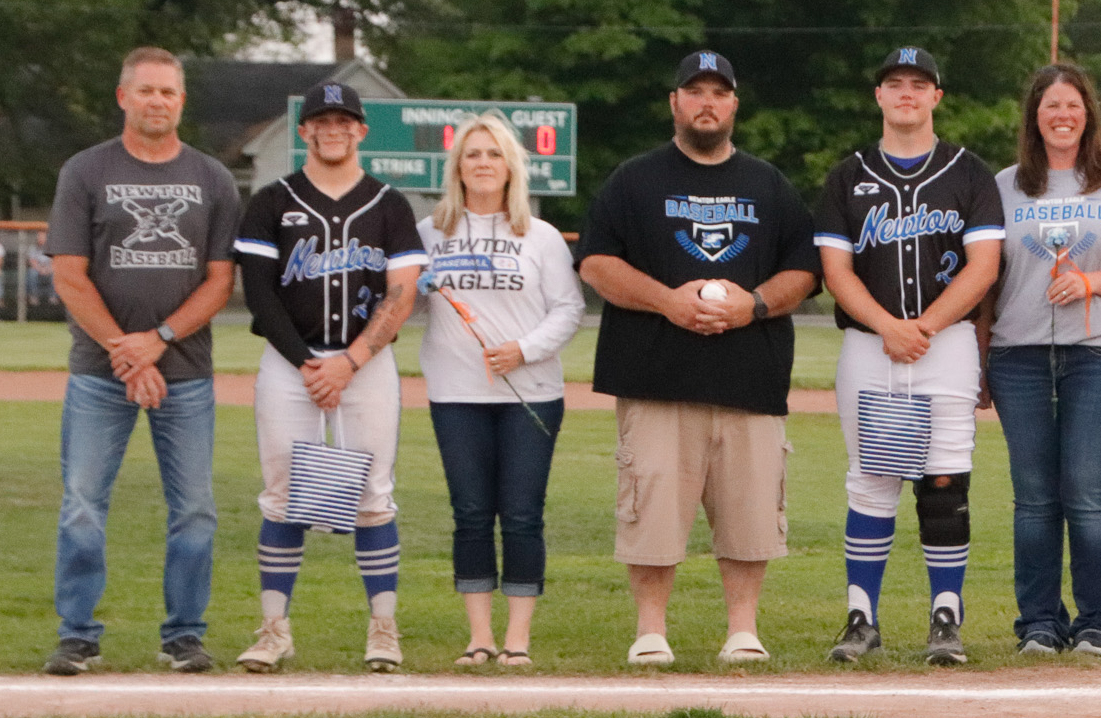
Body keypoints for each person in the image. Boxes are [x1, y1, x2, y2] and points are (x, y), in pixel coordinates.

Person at [576, 51, 820, 666]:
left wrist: (752, 305)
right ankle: (650, 631)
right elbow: (597, 263)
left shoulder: (768, 184)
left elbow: (804, 270)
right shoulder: (634, 180)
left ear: (733, 104)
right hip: (655, 377)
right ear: (674, 102)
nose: (706, 102)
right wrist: (667, 301)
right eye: (694, 91)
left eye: (718, 92)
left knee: (750, 515)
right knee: (652, 511)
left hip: (750, 376)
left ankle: (743, 630)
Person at [41, 47, 241, 676]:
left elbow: (220, 281)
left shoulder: (213, 178)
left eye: (168, 92)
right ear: (123, 97)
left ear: (181, 101)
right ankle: (78, 635)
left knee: (195, 510)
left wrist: (158, 339)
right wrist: (125, 353)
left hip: (185, 372)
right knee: (81, 504)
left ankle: (183, 635)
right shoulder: (85, 170)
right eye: (147, 90)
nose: (158, 101)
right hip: (99, 373)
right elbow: (70, 276)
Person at [815, 46, 1005, 666]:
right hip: (869, 345)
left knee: (944, 478)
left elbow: (983, 266)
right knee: (871, 479)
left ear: (936, 97)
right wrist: (886, 326)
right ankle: (861, 618)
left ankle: (946, 616)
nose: (906, 93)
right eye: (894, 83)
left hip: (944, 344)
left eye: (918, 84)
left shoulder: (968, 172)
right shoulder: (847, 176)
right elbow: (836, 271)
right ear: (878, 95)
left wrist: (923, 325)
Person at [233, 81, 427, 673]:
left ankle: (383, 629)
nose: (333, 129)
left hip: (365, 367)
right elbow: (259, 295)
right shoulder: (272, 200)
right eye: (322, 120)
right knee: (283, 495)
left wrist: (349, 362)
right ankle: (274, 631)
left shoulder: (389, 204)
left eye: (345, 120)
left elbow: (401, 294)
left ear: (361, 130)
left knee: (372, 497)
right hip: (290, 364)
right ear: (305, 130)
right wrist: (307, 363)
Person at [979, 64, 1101, 658]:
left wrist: (1092, 282)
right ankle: (1038, 622)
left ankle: (1098, 623)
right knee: (1034, 496)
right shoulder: (1005, 185)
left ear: (1088, 115)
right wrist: (980, 360)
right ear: (1034, 117)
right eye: (1051, 106)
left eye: (1073, 106)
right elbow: (985, 280)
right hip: (1020, 355)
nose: (1062, 116)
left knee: (1086, 490)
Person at [418, 114, 585, 666]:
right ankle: (479, 638)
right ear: (457, 167)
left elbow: (569, 309)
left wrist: (524, 349)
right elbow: (399, 299)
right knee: (470, 513)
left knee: (521, 514)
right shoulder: (429, 233)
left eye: (494, 154)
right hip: (455, 394)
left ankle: (517, 640)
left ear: (511, 166)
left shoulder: (540, 236)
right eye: (473, 154)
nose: (483, 163)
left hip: (529, 393)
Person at [26, 232, 56, 307]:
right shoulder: (33, 248)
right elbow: (32, 262)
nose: (41, 239)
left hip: (49, 269)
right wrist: (40, 269)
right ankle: (34, 296)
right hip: (37, 269)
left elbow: (54, 262)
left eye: (43, 237)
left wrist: (48, 269)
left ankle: (53, 297)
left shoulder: (52, 248)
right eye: (39, 237)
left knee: (55, 274)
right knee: (32, 273)